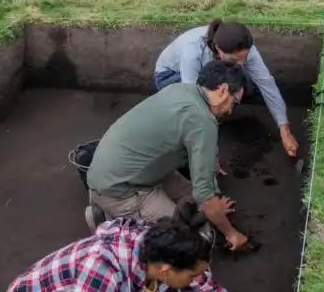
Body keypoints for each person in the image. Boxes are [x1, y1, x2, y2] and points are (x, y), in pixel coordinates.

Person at [85, 59, 251, 252]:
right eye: (235, 102)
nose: (232, 110)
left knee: (193, 201)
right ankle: (112, 226)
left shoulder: (182, 90)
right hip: (120, 190)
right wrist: (231, 234)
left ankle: (115, 212)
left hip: (122, 169)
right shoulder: (202, 121)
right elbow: (205, 194)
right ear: (223, 90)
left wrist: (211, 204)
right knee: (185, 240)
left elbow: (202, 188)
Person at [152, 19, 299, 158]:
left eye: (244, 58)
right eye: (235, 60)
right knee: (202, 104)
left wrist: (284, 129)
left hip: (208, 73)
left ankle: (219, 110)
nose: (241, 64)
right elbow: (191, 98)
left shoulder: (245, 49)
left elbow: (267, 84)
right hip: (171, 76)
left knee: (250, 86)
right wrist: (209, 151)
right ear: (218, 49)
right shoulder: (194, 51)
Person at [6, 202, 227, 292]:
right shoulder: (101, 274)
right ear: (166, 270)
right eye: (193, 275)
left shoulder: (151, 242)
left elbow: (203, 282)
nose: (199, 279)